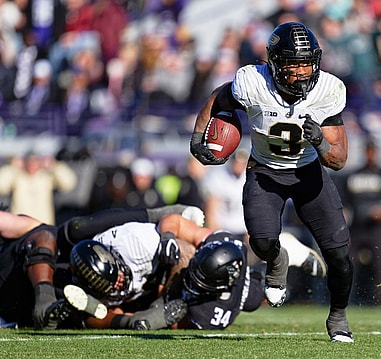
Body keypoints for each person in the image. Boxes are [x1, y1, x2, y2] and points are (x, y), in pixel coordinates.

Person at [189, 22, 354, 342]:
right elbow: (217, 99)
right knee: (262, 241)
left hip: (308, 174)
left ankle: (338, 317)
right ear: (276, 64)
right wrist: (198, 137)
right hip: (265, 172)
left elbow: (338, 159)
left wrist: (319, 141)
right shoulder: (252, 83)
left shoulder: (328, 91)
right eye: (293, 64)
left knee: (339, 255)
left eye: (307, 63)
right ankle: (279, 260)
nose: (302, 72)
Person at [64, 215, 327, 330]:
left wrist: (164, 318)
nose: (119, 283)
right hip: (159, 282)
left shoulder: (137, 243)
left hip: (172, 279)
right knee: (182, 252)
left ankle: (286, 254)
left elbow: (180, 224)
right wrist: (129, 321)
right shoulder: (91, 277)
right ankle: (284, 255)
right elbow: (99, 315)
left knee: (250, 298)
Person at [0, 203, 204, 329]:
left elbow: (45, 234)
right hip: (37, 299)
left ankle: (44, 302)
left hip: (52, 277)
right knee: (80, 305)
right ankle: (134, 321)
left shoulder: (136, 246)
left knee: (67, 231)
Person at [339, 138, 381, 306]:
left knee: (380, 265)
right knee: (349, 263)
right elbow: (344, 204)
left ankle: (380, 300)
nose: (371, 154)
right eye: (368, 151)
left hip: (378, 229)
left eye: (373, 151)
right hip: (357, 228)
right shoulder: (353, 175)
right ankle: (346, 299)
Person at [0, 210, 69, 330]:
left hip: (31, 269)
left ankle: (46, 302)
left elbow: (35, 228)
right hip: (11, 291)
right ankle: (45, 302)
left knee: (45, 236)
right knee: (45, 237)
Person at [0, 151, 78, 225]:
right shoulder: (17, 177)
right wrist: (12, 167)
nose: (32, 164)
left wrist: (54, 166)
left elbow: (69, 183)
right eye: (29, 161)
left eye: (35, 161)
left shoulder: (46, 177)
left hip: (42, 226)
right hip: (19, 226)